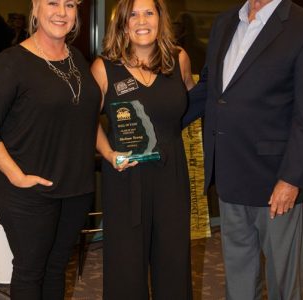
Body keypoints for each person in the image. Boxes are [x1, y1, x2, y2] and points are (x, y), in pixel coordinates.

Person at [184, 0, 303, 299]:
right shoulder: (225, 22)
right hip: (229, 174)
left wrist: (291, 178)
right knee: (238, 279)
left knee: (283, 284)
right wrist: (161, 116)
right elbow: (213, 90)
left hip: (276, 183)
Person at [0, 0, 101, 299]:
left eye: (69, 4)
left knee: (56, 268)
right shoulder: (11, 61)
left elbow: (86, 119)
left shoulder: (77, 58)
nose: (61, 12)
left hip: (73, 187)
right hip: (26, 188)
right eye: (52, 2)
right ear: (35, 8)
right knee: (31, 270)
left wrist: (108, 154)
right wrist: (17, 176)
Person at [90, 0, 194, 298]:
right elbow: (87, 122)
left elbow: (189, 101)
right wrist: (108, 154)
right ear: (122, 23)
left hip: (171, 174)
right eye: (132, 14)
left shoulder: (179, 59)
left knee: (173, 260)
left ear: (161, 18)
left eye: (149, 12)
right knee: (126, 264)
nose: (141, 20)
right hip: (126, 176)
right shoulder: (104, 67)